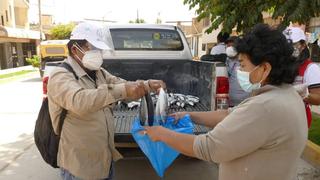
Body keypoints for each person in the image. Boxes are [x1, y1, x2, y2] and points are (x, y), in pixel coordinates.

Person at [143, 24, 308, 180]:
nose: (239, 71)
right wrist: (190, 114)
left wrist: (162, 134)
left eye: (242, 65)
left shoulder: (265, 107)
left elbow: (209, 148)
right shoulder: (287, 95)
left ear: (265, 68)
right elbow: (230, 115)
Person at [47, 22, 165, 180]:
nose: (99, 54)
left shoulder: (98, 72)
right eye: (94, 49)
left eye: (100, 49)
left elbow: (121, 84)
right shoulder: (60, 76)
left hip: (104, 161)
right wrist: (122, 90)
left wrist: (147, 85)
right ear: (75, 49)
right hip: (80, 168)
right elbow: (79, 101)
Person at [284, 26, 320, 128]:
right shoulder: (283, 64)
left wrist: (305, 95)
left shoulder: (311, 68)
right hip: (280, 117)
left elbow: (318, 98)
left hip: (298, 121)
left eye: (293, 44)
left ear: (303, 45)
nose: (290, 48)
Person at [225, 36, 250, 106]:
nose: (229, 48)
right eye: (228, 46)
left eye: (232, 46)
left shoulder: (246, 60)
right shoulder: (227, 60)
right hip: (230, 101)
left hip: (244, 101)